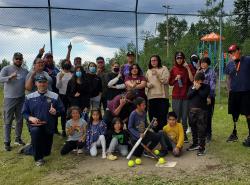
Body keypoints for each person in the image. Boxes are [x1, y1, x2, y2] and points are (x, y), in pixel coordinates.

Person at [21, 74, 64, 166]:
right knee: (36, 133)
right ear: (36, 83)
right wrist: (31, 118)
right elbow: (24, 112)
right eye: (39, 82)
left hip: (49, 125)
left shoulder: (55, 96)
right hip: (35, 125)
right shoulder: (29, 97)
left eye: (44, 82)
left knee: (46, 152)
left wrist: (55, 112)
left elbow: (62, 110)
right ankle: (38, 159)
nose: (42, 84)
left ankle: (28, 149)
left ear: (47, 83)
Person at [0, 52, 28, 151]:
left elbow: (29, 82)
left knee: (20, 120)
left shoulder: (25, 71)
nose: (18, 60)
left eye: (20, 59)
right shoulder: (6, 69)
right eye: (17, 59)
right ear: (13, 59)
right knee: (8, 120)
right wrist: (9, 77)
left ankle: (18, 138)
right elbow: (0, 79)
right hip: (9, 98)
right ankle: (7, 142)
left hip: (21, 98)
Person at [225, 44, 250, 147]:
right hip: (234, 92)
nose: (232, 54)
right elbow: (228, 78)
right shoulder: (229, 64)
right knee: (234, 113)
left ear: (239, 51)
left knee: (248, 113)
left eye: (234, 51)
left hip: (246, 91)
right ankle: (234, 133)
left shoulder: (248, 60)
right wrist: (228, 89)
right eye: (230, 52)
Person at [169, 51, 195, 142]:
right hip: (176, 96)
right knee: (177, 116)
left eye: (181, 58)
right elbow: (170, 82)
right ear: (175, 59)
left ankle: (184, 134)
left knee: (185, 117)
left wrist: (187, 67)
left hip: (185, 96)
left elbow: (192, 80)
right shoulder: (173, 69)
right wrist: (175, 79)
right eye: (177, 58)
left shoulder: (188, 67)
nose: (179, 60)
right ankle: (177, 134)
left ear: (183, 59)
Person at [187, 72, 210, 156]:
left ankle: (201, 147)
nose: (197, 82)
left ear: (202, 81)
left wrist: (199, 89)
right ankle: (195, 143)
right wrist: (195, 89)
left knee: (201, 130)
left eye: (199, 81)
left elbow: (203, 95)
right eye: (196, 81)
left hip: (202, 112)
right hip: (192, 111)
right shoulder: (191, 87)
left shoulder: (206, 87)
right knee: (193, 128)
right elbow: (188, 96)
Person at [145, 55, 170, 132]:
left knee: (162, 117)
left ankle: (162, 135)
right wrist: (147, 84)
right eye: (152, 60)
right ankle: (154, 135)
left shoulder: (164, 68)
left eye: (155, 60)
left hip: (162, 97)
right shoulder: (148, 71)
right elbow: (145, 81)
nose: (153, 62)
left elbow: (166, 81)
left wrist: (157, 75)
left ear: (158, 61)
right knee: (153, 117)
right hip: (151, 97)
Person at [197, 57, 216, 142]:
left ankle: (209, 134)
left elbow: (212, 86)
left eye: (204, 63)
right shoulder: (199, 72)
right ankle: (202, 133)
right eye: (201, 63)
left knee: (208, 116)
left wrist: (209, 97)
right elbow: (196, 83)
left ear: (208, 63)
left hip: (208, 97)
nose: (203, 64)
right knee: (201, 116)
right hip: (200, 97)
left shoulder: (212, 72)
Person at [56, 60, 73, 137]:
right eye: (65, 63)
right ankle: (63, 130)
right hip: (62, 96)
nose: (67, 64)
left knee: (71, 112)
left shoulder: (72, 74)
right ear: (62, 64)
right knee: (63, 113)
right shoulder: (59, 74)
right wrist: (59, 79)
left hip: (71, 96)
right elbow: (58, 87)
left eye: (68, 63)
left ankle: (71, 129)